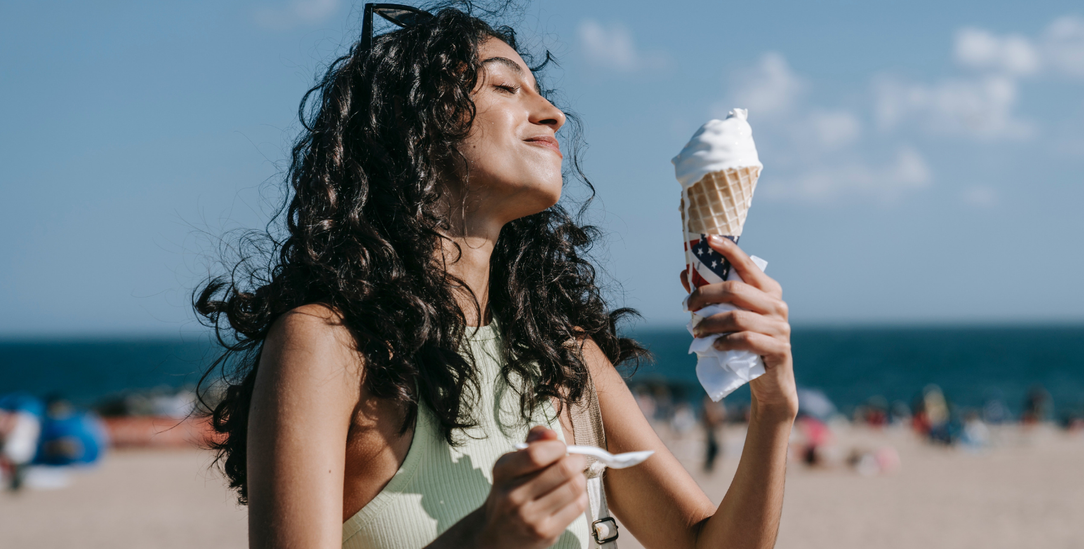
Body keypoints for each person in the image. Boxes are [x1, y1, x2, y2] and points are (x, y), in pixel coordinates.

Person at [194, 4, 797, 549]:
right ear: (415, 129)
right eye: (507, 86)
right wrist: (485, 538)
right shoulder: (326, 345)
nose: (554, 114)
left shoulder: (565, 357)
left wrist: (773, 409)